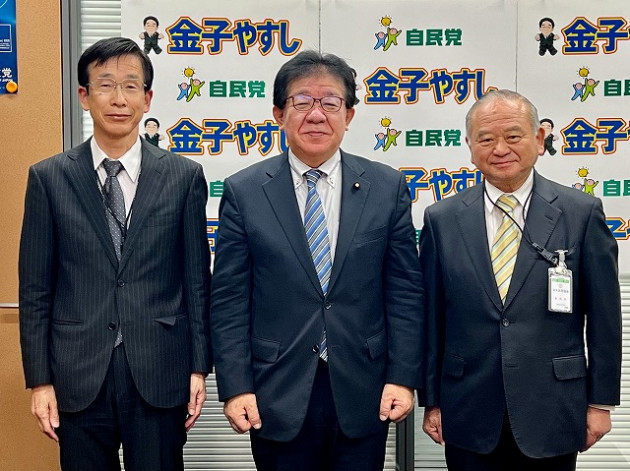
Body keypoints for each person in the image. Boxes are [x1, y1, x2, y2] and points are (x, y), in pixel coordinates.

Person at [210, 50, 424, 471]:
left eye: (330, 102)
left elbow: (404, 293)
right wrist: (235, 387)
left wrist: (402, 377)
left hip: (364, 386)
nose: (316, 114)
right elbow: (229, 300)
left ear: (349, 115)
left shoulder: (386, 187)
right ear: (279, 113)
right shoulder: (244, 191)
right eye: (302, 101)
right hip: (276, 390)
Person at [19, 37, 211, 471]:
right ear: (84, 96)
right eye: (105, 85)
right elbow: (35, 290)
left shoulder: (183, 177)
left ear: (147, 99)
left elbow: (197, 281)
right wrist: (40, 381)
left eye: (130, 86)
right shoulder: (49, 178)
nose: (118, 99)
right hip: (77, 372)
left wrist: (199, 368)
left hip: (160, 367)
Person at [419, 89, 621, 471]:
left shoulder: (580, 213)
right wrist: (431, 401)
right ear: (470, 147)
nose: (500, 149)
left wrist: (600, 403)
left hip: (554, 408)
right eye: (486, 139)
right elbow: (431, 319)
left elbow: (605, 318)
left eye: (513, 136)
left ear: (539, 139)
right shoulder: (441, 219)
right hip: (467, 408)